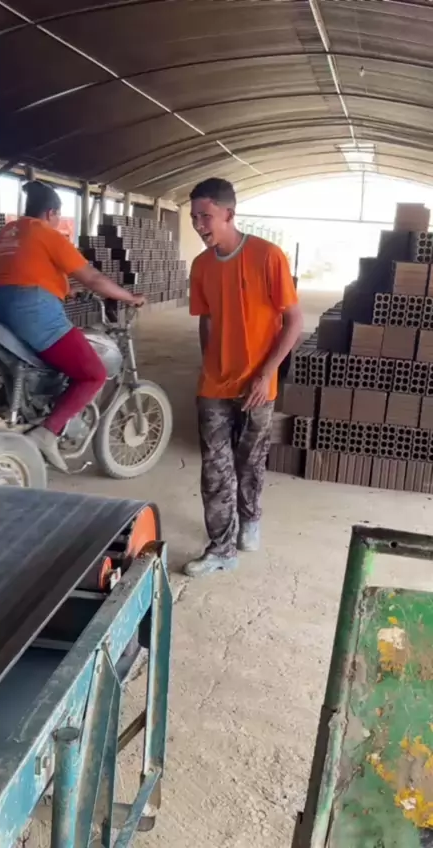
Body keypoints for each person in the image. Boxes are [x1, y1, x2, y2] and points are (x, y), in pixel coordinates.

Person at [184, 178, 303, 578]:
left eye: (206, 216)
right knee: (215, 468)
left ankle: (250, 518)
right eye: (194, 217)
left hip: (257, 384)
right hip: (215, 385)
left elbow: (294, 321)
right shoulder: (201, 266)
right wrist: (209, 364)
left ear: (229, 214)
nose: (199, 225)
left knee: (249, 461)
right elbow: (206, 319)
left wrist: (266, 374)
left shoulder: (267, 256)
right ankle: (221, 548)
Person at [0, 180, 144, 472]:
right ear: (52, 213)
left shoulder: (9, 232)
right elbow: (93, 278)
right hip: (31, 312)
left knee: (44, 361)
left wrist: (65, 291)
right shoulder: (47, 234)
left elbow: (23, 273)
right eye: (58, 216)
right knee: (93, 373)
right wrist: (129, 297)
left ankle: (12, 399)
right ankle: (48, 433)